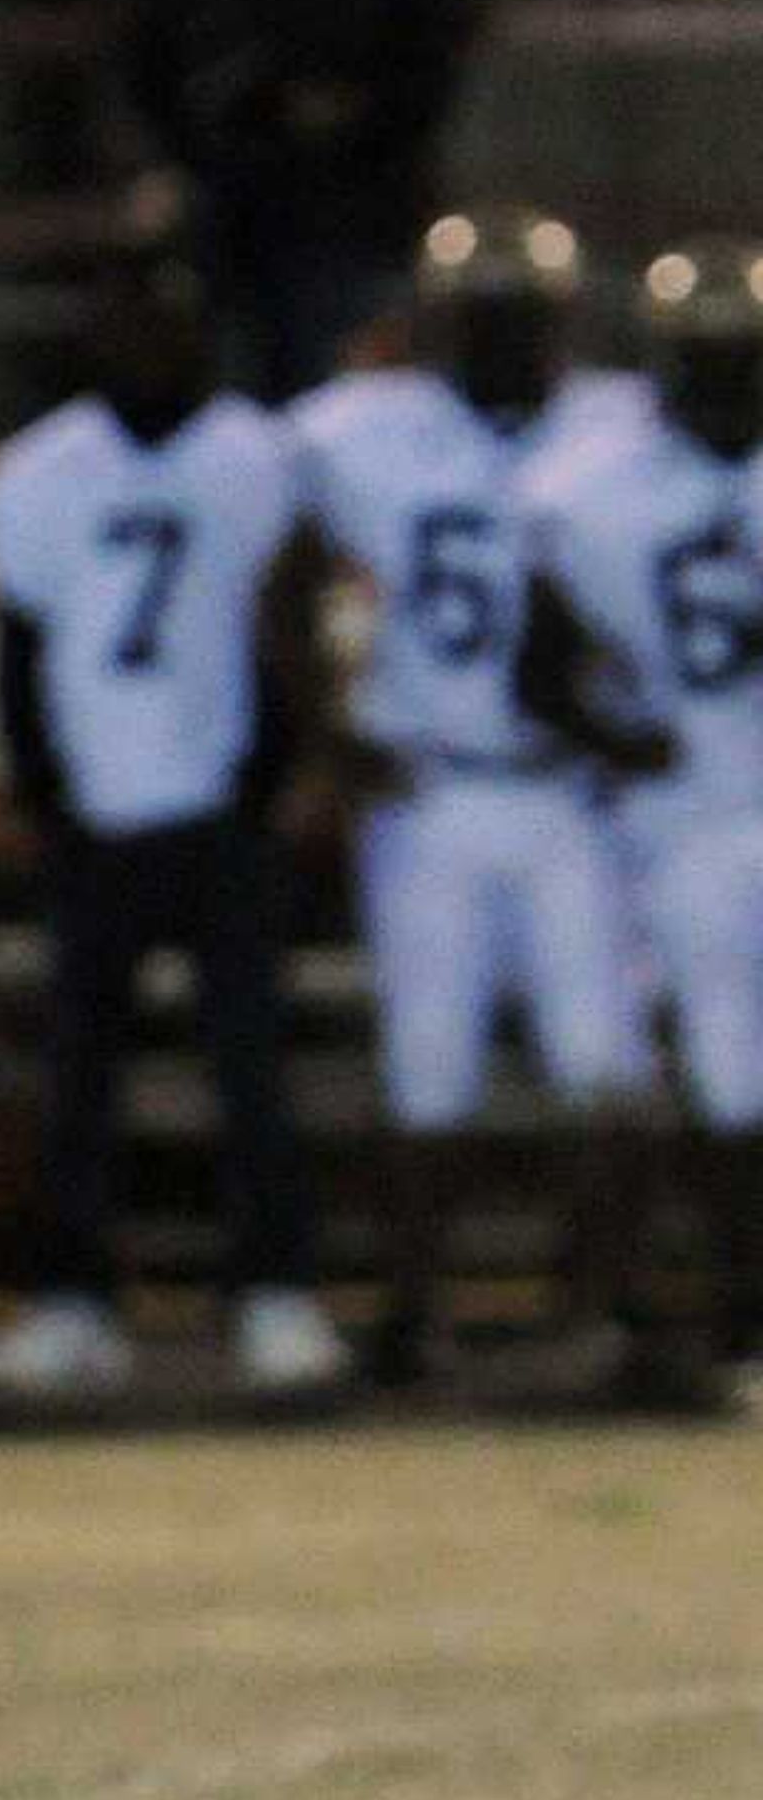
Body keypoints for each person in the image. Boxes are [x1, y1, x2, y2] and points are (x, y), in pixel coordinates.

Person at [288, 208, 662, 1391]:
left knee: (601, 1065)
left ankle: (597, 1314)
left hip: (573, 797)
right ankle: (411, 1320)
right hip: (433, 784)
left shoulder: (625, 424)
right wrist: (329, 730)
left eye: (520, 313)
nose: (502, 336)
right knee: (425, 1068)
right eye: (484, 313)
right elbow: (278, 569)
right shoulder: (364, 428)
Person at [0, 251, 345, 1404]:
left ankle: (273, 1291)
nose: (151, 342)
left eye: (171, 320)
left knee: (250, 1067)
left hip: (224, 809)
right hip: (98, 811)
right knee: (81, 1073)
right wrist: (44, 796)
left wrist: (280, 776)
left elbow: (293, 635)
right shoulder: (39, 472)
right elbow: (22, 649)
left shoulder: (264, 459)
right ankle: (72, 1299)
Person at [518, 243, 763, 1388]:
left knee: (724, 1074)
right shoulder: (593, 487)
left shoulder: (595, 485)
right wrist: (625, 741)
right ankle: (734, 1317)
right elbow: (545, 672)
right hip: (687, 820)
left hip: (695, 815)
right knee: (721, 1077)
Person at [124, 0, 483, 402]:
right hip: (227, 208)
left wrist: (359, 113)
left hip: (359, 208)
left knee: (345, 404)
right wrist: (181, 152)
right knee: (232, 406)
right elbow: (143, 38)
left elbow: (440, 38)